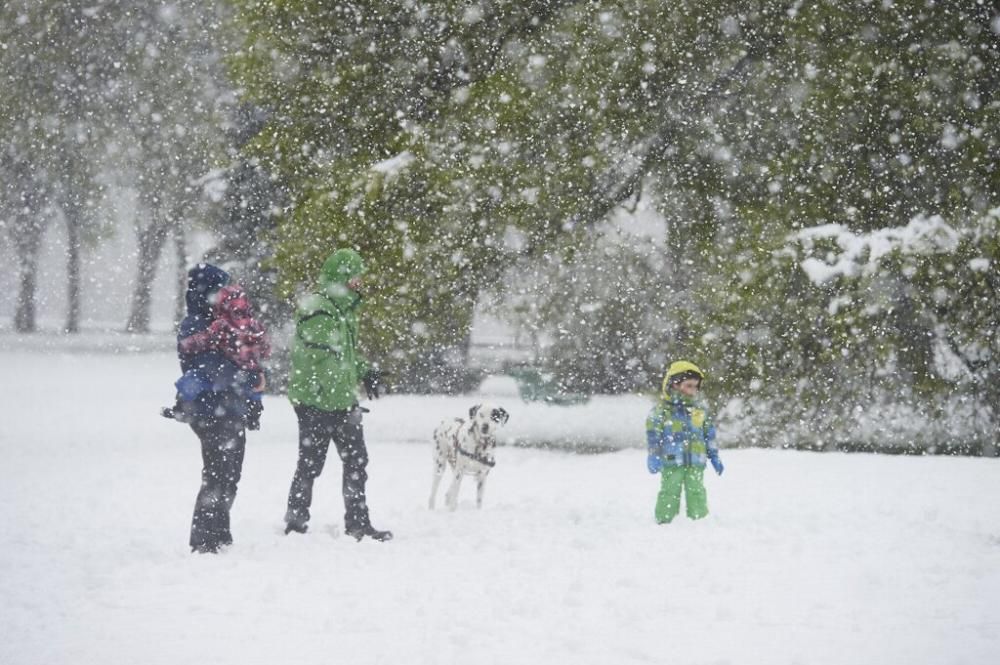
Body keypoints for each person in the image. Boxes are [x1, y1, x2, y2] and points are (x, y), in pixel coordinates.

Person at [283, 248, 392, 542]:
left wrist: (365, 372)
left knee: (357, 462)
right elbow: (319, 360)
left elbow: (344, 356)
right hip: (315, 402)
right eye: (355, 276)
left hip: (340, 402)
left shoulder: (341, 309)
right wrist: (340, 399)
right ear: (342, 276)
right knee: (310, 463)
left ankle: (358, 524)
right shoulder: (318, 308)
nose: (359, 282)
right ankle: (295, 522)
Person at [168, 264, 266, 553]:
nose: (223, 293)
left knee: (231, 473)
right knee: (216, 473)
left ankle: (221, 531)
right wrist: (240, 375)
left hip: (232, 408)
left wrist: (252, 399)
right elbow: (205, 367)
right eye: (217, 288)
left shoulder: (229, 322)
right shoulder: (194, 325)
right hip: (207, 410)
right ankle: (203, 539)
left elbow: (246, 359)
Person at [646, 360, 724, 524]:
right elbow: (653, 435)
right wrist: (654, 455)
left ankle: (699, 520)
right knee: (669, 491)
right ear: (675, 384)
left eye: (696, 386)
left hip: (695, 461)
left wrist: (714, 456)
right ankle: (664, 521)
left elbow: (709, 435)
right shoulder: (663, 411)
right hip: (672, 460)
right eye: (689, 385)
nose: (693, 390)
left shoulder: (700, 411)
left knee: (696, 491)